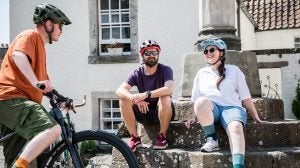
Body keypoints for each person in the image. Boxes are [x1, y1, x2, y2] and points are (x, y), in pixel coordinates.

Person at [0, 3, 71, 168]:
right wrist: (35, 82)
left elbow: (46, 87)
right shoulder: (29, 36)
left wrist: (62, 100)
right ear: (48, 24)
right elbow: (18, 56)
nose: (61, 30)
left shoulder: (40, 48)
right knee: (52, 130)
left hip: (14, 104)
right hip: (11, 99)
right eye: (60, 25)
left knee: (17, 158)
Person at [185, 38, 263, 168]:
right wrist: (193, 117)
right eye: (205, 51)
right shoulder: (201, 73)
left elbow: (245, 96)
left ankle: (238, 166)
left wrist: (255, 115)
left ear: (221, 52)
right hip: (212, 109)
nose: (208, 53)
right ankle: (212, 139)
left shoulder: (234, 70)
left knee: (236, 127)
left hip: (232, 109)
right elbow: (196, 99)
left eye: (211, 50)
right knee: (201, 101)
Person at [116, 40, 175, 152]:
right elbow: (119, 90)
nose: (151, 56)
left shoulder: (165, 70)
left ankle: (162, 136)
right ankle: (135, 137)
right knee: (123, 99)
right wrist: (135, 99)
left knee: (165, 97)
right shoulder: (137, 72)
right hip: (143, 112)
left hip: (162, 111)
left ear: (158, 55)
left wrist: (146, 94)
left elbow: (170, 89)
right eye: (148, 53)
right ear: (142, 55)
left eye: (155, 53)